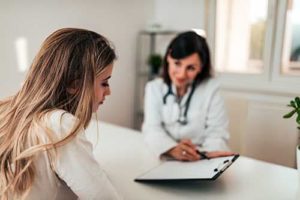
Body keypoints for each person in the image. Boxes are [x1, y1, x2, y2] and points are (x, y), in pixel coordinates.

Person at [0, 28, 122, 199]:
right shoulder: (60, 125)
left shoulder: (5, 108)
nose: (108, 92)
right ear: (75, 85)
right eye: (104, 83)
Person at [142, 31, 235, 161]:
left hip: (200, 158)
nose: (181, 74)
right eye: (177, 64)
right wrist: (172, 149)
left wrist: (203, 154)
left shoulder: (211, 89)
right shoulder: (154, 88)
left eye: (190, 68)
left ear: (201, 67)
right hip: (167, 156)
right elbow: (152, 129)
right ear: (168, 57)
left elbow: (217, 133)